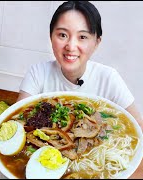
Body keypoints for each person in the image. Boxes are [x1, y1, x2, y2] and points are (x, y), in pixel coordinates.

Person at [17, 1, 143, 179]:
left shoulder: (108, 78)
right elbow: (17, 126)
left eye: (82, 37)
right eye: (62, 35)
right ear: (51, 36)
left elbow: (138, 129)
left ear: (96, 42)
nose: (71, 46)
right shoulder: (38, 73)